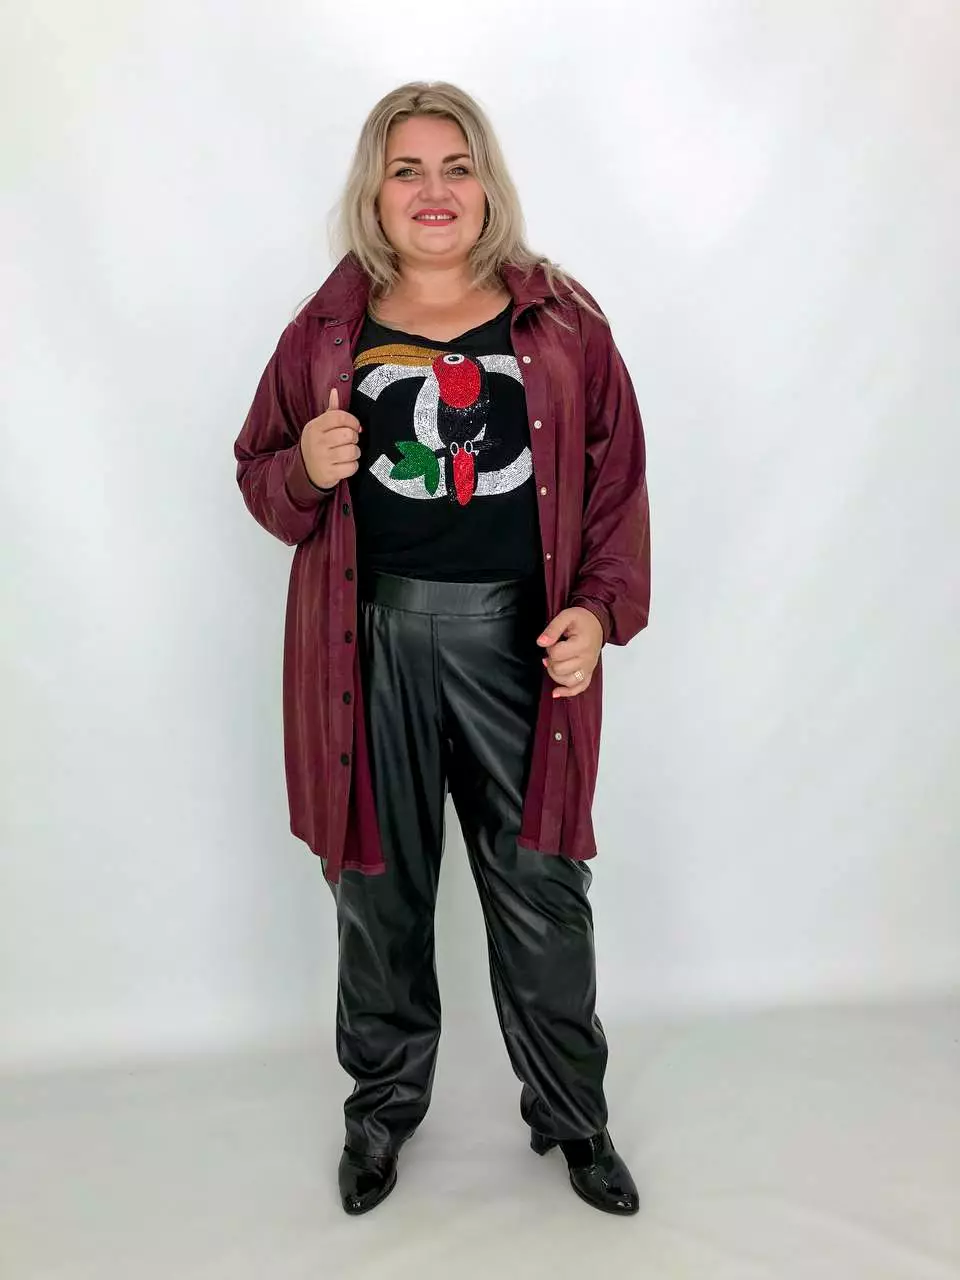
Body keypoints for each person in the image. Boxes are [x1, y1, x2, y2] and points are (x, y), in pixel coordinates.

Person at [234, 81, 651, 1218]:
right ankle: (380, 1116)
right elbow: (261, 477)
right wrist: (303, 468)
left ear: (486, 183)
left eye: (455, 166)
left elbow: (616, 484)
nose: (434, 190)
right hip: (366, 647)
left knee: (542, 889)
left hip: (520, 645)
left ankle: (574, 1117)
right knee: (377, 892)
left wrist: (597, 613)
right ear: (376, 190)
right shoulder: (328, 330)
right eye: (407, 168)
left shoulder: (561, 321)